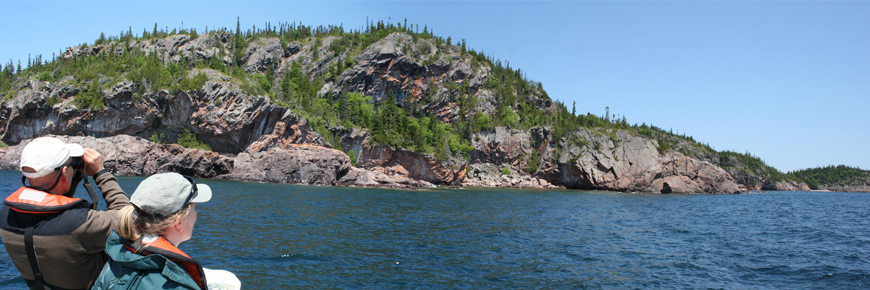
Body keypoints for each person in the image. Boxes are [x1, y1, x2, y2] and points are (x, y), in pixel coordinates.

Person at [0, 137, 131, 289]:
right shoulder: (82, 225)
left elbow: (51, 208)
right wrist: (101, 173)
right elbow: (127, 219)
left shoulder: (6, 215)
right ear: (63, 172)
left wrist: (71, 176)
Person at [92, 172, 212, 290]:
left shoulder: (117, 259)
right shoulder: (177, 285)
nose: (196, 213)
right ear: (179, 221)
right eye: (194, 207)